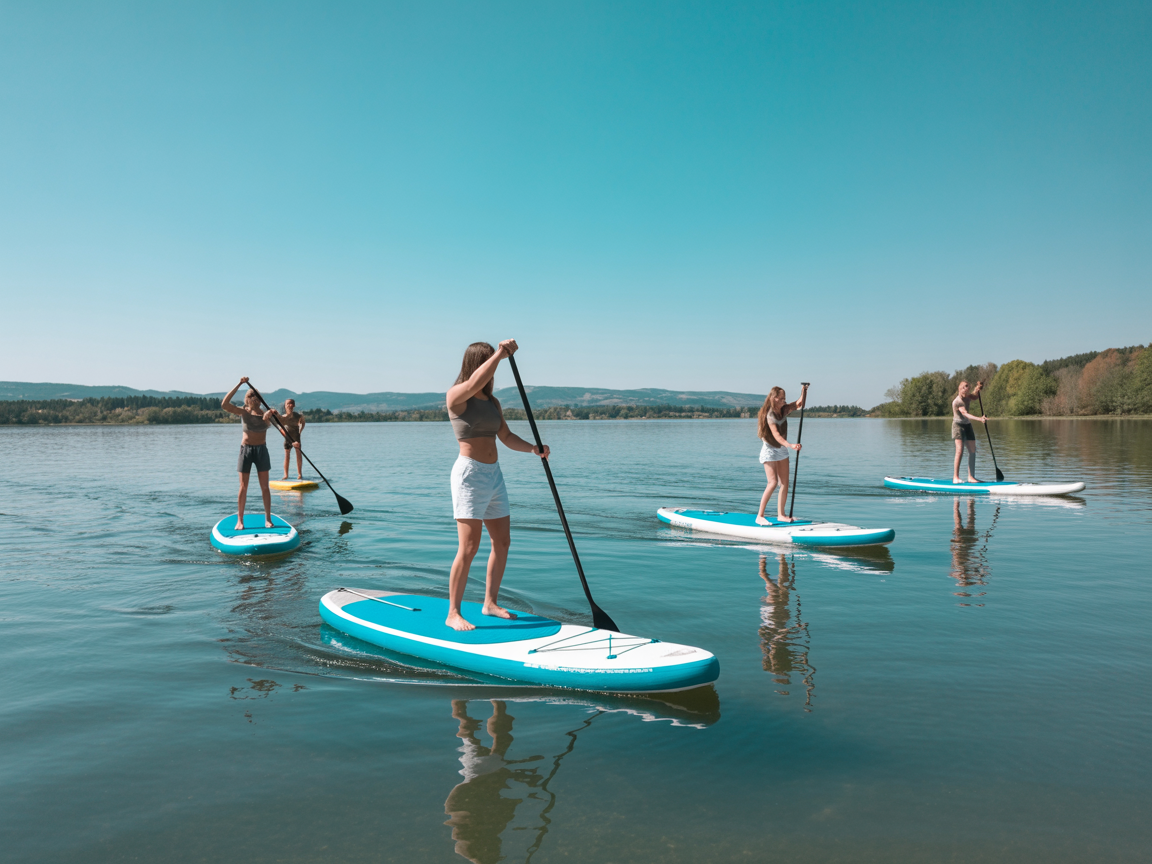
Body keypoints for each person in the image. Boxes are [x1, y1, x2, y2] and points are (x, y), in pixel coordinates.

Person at [445, 340, 549, 632]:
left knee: (502, 542)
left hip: (494, 475)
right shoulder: (456, 396)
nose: (493, 370)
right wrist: (501, 355)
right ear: (477, 363)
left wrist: (533, 449)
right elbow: (476, 380)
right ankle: (453, 612)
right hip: (469, 476)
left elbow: (505, 436)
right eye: (488, 362)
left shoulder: (493, 403)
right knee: (468, 547)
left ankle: (489, 603)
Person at [221, 377, 276, 529]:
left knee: (265, 487)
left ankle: (268, 519)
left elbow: (282, 425)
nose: (254, 399)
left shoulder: (267, 414)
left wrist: (294, 443)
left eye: (256, 396)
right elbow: (224, 404)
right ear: (247, 399)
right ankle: (240, 521)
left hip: (261, 450)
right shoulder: (243, 412)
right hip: (245, 450)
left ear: (260, 399)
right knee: (243, 486)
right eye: (251, 396)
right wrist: (239, 384)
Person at [755, 384, 808, 525]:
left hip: (782, 450)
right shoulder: (770, 414)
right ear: (775, 398)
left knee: (784, 483)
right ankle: (759, 516)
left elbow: (799, 404)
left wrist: (803, 391)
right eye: (782, 398)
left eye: (785, 398)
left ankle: (781, 515)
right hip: (770, 450)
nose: (784, 401)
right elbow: (776, 436)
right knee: (772, 483)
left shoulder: (783, 410)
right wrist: (790, 445)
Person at [952, 380, 987, 483]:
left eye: (968, 389)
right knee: (960, 450)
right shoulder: (957, 401)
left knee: (972, 450)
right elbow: (965, 413)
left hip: (967, 425)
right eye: (966, 388)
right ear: (961, 389)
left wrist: (978, 388)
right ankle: (955, 477)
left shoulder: (968, 396)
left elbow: (975, 396)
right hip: (958, 426)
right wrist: (980, 419)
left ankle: (971, 477)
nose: (967, 391)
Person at [277, 398, 306, 480]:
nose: (290, 405)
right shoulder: (283, 417)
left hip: (296, 436)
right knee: (287, 455)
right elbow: (279, 428)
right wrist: (285, 435)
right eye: (288, 404)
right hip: (287, 437)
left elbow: (302, 423)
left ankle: (299, 474)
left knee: (298, 454)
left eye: (291, 403)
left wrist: (300, 432)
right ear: (285, 406)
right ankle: (286, 475)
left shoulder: (297, 416)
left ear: (294, 405)